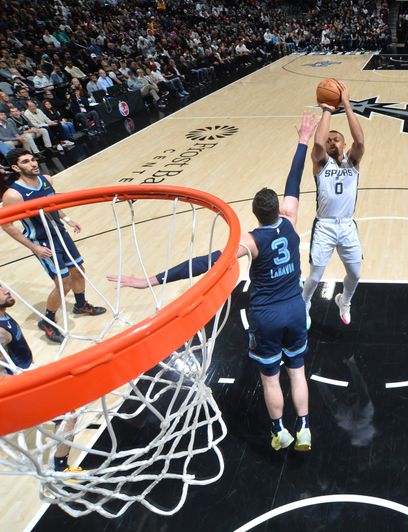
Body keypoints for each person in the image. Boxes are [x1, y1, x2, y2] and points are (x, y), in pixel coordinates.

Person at [109, 111, 318, 452]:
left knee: (270, 379)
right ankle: (305, 429)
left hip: (266, 315)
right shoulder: (291, 221)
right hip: (295, 308)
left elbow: (205, 262)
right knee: (297, 372)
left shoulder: (249, 241)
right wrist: (303, 141)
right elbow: (294, 182)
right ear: (279, 209)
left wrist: (152, 279)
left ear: (254, 214)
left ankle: (279, 431)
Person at [1, 149, 107, 343]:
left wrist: (67, 219)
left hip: (60, 234)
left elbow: (51, 205)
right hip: (42, 241)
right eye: (26, 162)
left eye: (33, 159)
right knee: (63, 282)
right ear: (16, 167)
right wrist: (33, 247)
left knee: (78, 270)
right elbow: (7, 225)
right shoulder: (13, 195)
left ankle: (81, 305)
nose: (33, 164)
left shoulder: (47, 179)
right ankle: (48, 321)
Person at [0, 284, 82, 472]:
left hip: (27, 373)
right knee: (69, 415)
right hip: (20, 385)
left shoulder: (3, 315)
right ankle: (60, 469)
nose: (6, 289)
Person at [303, 80, 365, 326]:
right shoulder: (320, 162)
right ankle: (305, 302)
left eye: (336, 139)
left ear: (344, 144)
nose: (331, 142)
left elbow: (360, 142)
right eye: (329, 139)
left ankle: (345, 300)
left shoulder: (353, 161)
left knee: (356, 274)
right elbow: (317, 143)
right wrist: (327, 109)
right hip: (325, 226)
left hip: (347, 226)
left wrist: (346, 105)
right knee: (316, 276)